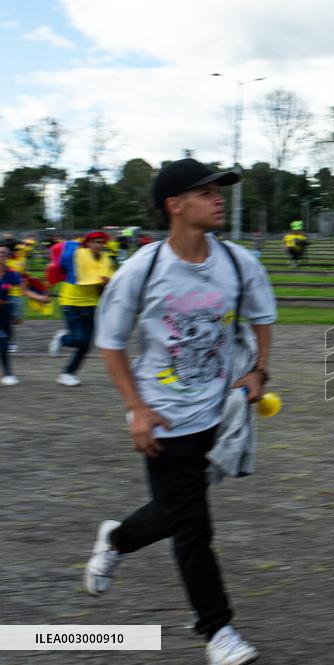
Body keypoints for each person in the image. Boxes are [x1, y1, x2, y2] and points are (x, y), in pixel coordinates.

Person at [86, 157, 276, 665]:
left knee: (176, 511)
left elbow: (262, 317)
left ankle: (117, 538)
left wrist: (259, 371)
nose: (219, 199)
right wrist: (137, 410)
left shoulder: (237, 262)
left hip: (219, 413)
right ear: (175, 205)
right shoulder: (142, 269)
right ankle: (218, 631)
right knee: (193, 525)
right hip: (164, 416)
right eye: (206, 192)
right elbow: (109, 342)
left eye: (219, 191)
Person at [48, 231, 115, 386]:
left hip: (91, 304)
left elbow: (109, 282)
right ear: (87, 243)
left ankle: (67, 373)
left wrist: (107, 283)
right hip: (71, 302)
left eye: (102, 242)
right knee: (79, 339)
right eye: (96, 242)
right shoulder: (76, 255)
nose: (99, 245)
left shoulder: (105, 260)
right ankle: (62, 338)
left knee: (85, 344)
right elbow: (62, 260)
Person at [0, 245, 50, 385]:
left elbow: (25, 291)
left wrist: (40, 298)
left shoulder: (11, 274)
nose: (1, 255)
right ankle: (8, 373)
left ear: (8, 257)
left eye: (4, 253)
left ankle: (7, 374)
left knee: (5, 341)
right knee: (2, 342)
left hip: (4, 310)